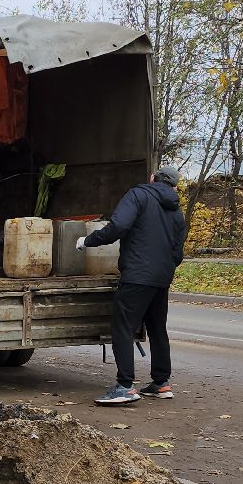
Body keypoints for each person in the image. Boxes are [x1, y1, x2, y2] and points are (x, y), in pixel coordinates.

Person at [79, 164, 187, 405]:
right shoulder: (176, 211)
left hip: (137, 275)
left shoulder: (138, 195)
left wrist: (88, 240)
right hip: (161, 278)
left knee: (123, 328)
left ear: (153, 178)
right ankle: (161, 383)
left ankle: (125, 386)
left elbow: (118, 226)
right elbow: (177, 253)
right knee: (158, 329)